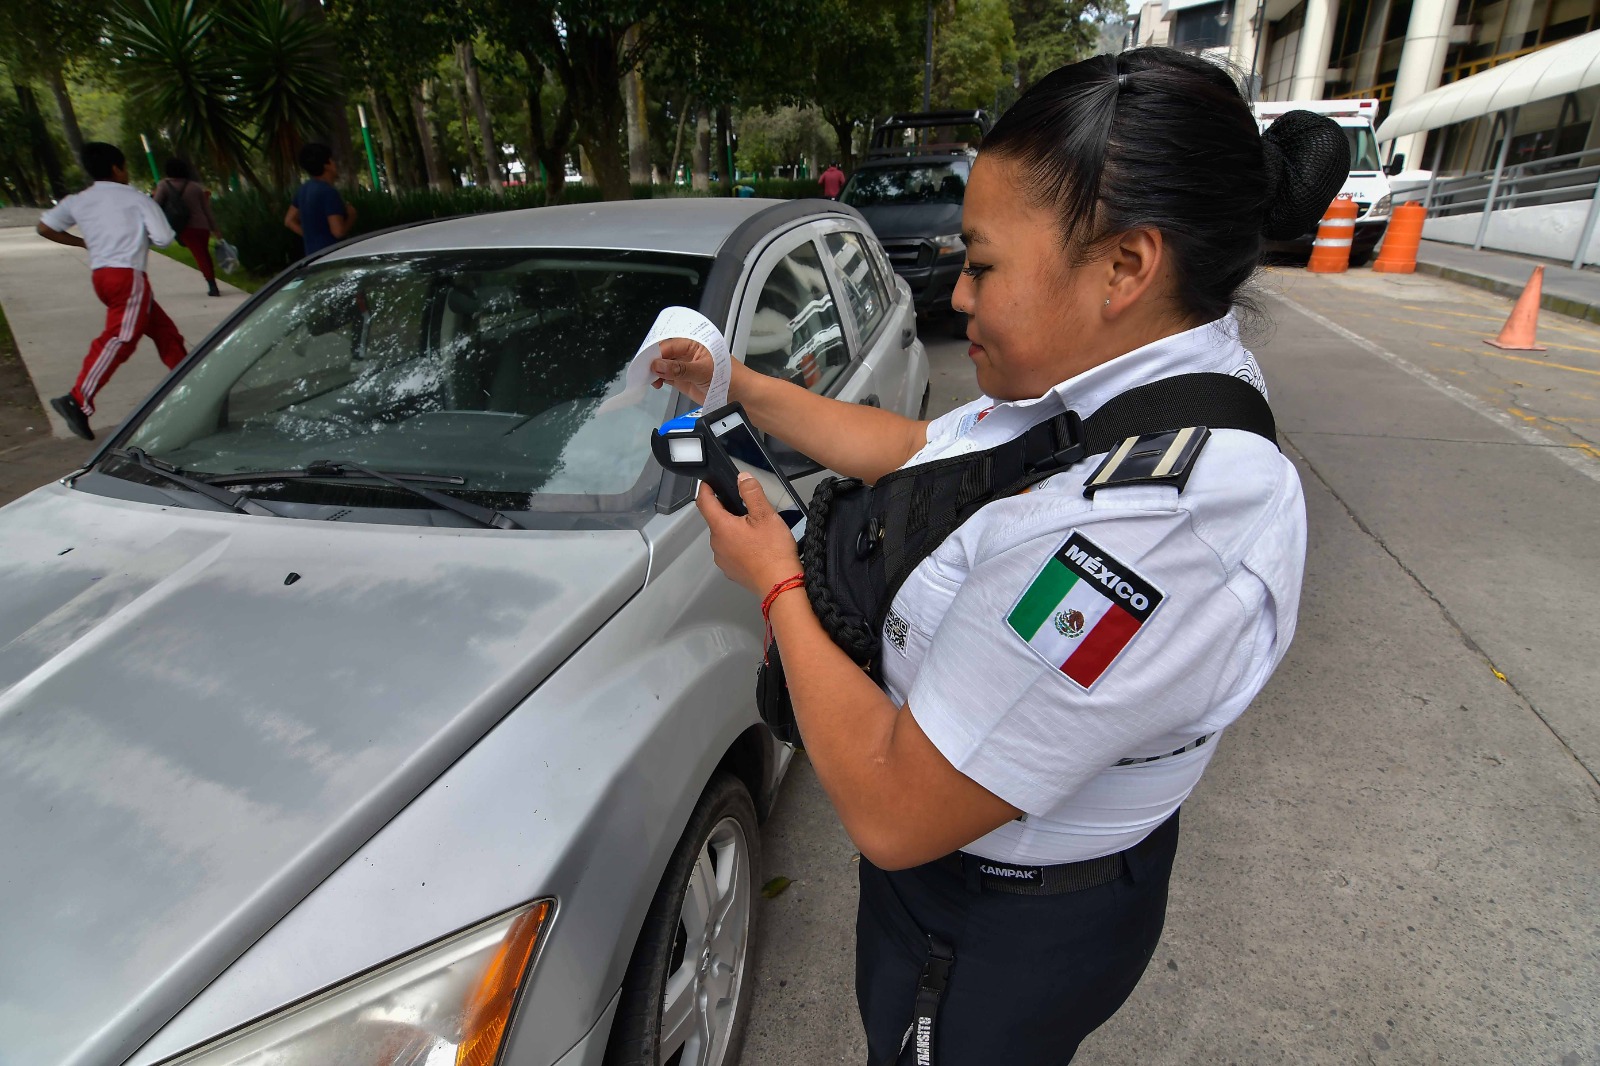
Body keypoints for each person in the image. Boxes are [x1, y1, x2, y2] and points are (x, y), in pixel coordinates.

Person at [647, 47, 1348, 1065]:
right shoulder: (1103, 385)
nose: (960, 298)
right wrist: (739, 383)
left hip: (992, 922)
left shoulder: (1148, 535)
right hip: (962, 887)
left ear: (1125, 266)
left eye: (981, 265)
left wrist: (778, 582)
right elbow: (928, 453)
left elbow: (893, 808)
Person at [37, 141, 188, 442]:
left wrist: (83, 242)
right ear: (118, 169)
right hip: (128, 277)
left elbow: (44, 228)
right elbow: (164, 238)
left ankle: (192, 383)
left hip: (101, 277)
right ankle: (78, 398)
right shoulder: (134, 198)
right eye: (125, 167)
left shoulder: (78, 200)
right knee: (121, 337)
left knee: (164, 332)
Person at [153, 157, 222, 296]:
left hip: (184, 227)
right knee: (203, 253)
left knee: (200, 255)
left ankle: (212, 285)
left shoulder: (164, 185)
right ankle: (211, 280)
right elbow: (206, 209)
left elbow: (155, 205)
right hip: (202, 227)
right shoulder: (195, 187)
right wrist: (215, 228)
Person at [284, 142, 355, 256]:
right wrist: (351, 215)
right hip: (332, 255)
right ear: (327, 165)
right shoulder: (329, 193)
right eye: (332, 160)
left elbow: (289, 220)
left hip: (312, 256)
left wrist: (310, 236)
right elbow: (338, 232)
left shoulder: (303, 189)